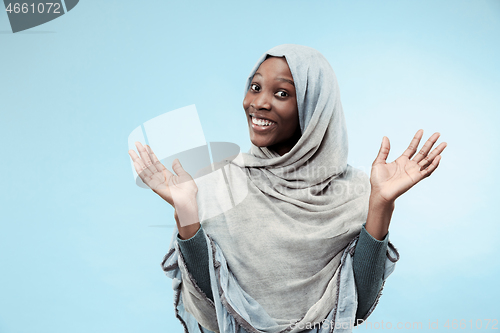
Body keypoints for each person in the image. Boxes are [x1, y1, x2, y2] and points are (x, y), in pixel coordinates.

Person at [128, 44, 447, 333]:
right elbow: (212, 304)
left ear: (314, 108)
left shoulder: (353, 192)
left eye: (282, 93)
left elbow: (355, 309)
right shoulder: (217, 184)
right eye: (255, 87)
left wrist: (380, 203)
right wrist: (186, 212)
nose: (259, 103)